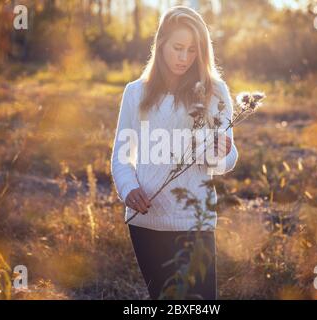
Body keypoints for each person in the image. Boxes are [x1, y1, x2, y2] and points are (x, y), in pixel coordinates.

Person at [110, 5, 238, 300]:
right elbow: (121, 155)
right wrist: (129, 189)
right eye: (177, 47)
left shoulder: (215, 92)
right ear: (160, 44)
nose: (184, 57)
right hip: (147, 221)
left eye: (192, 50)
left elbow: (225, 161)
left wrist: (220, 153)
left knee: (200, 304)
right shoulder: (135, 93)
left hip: (194, 222)